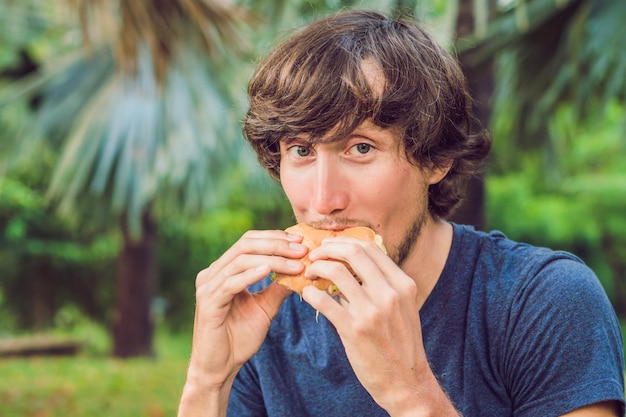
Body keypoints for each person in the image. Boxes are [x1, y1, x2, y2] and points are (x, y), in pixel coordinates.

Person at [177, 9, 625, 417]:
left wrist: (410, 394)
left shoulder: (545, 301)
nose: (324, 198)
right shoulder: (264, 315)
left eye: (361, 147)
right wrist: (207, 380)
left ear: (435, 159)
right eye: (301, 150)